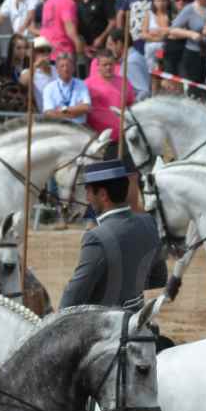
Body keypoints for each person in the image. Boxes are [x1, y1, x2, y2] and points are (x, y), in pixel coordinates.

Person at [60, 159, 167, 310]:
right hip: (138, 320)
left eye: (88, 191)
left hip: (106, 327)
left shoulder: (96, 237)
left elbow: (73, 299)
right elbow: (159, 278)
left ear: (103, 194)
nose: (87, 198)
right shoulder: (148, 222)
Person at [40, 50, 92, 125]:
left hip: (80, 127)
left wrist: (62, 110)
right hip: (59, 128)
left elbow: (86, 107)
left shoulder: (81, 84)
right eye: (62, 66)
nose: (65, 69)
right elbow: (49, 113)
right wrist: (76, 111)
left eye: (68, 65)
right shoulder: (49, 88)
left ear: (73, 68)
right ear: (57, 70)